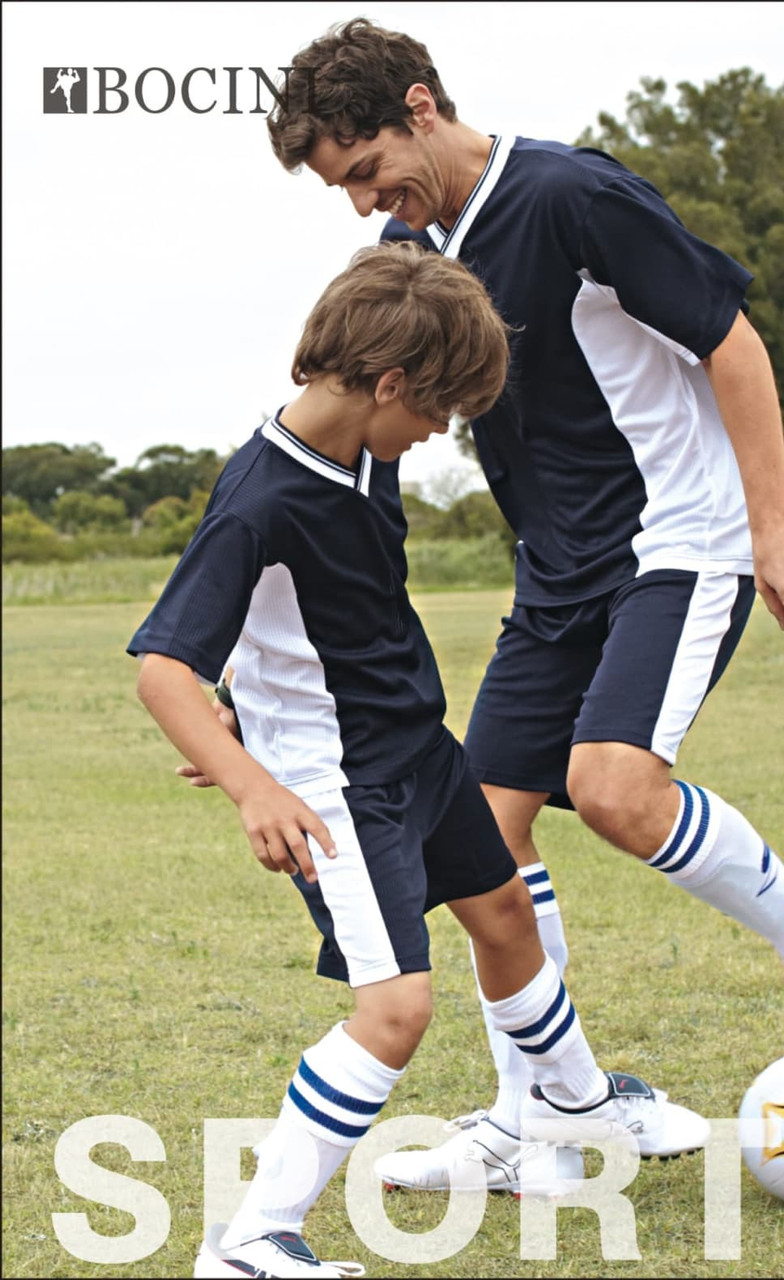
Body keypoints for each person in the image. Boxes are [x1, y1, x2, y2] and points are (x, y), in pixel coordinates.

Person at [263, 18, 784, 1192]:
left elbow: (733, 342)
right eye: (342, 190)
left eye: (364, 171)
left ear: (418, 106)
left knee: (614, 786)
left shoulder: (568, 195)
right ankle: (546, 1116)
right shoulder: (427, 249)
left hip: (676, 542)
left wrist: (776, 527)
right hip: (554, 577)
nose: (362, 205)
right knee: (480, 848)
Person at [128, 242, 709, 1280]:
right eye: (436, 410)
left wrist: (244, 716)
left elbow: (294, 625)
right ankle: (251, 1239)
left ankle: (574, 1108)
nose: (439, 432)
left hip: (419, 751)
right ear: (389, 383)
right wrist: (253, 775)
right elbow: (167, 667)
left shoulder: (367, 448)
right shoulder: (260, 499)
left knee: (507, 914)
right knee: (395, 1008)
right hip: (338, 789)